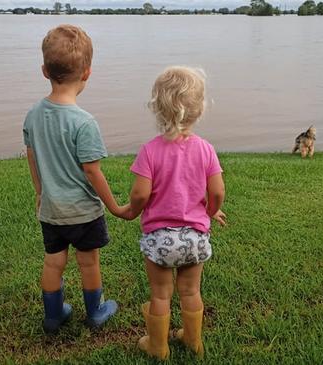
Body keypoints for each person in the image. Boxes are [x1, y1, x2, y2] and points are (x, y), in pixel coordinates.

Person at [118, 66, 226, 359]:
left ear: (157, 108)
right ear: (200, 108)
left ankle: (158, 346)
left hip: (160, 239)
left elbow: (140, 194)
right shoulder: (206, 149)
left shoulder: (150, 151)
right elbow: (217, 192)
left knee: (161, 294)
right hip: (195, 238)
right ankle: (192, 340)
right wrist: (211, 211)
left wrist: (132, 210)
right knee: (190, 291)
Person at [23, 24, 121, 335]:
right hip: (83, 211)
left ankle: (53, 316)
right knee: (88, 262)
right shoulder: (84, 122)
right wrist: (115, 206)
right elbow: (92, 171)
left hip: (51, 209)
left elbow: (32, 156)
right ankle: (95, 311)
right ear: (88, 72)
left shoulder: (33, 114)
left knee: (54, 262)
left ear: (43, 70)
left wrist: (40, 191)